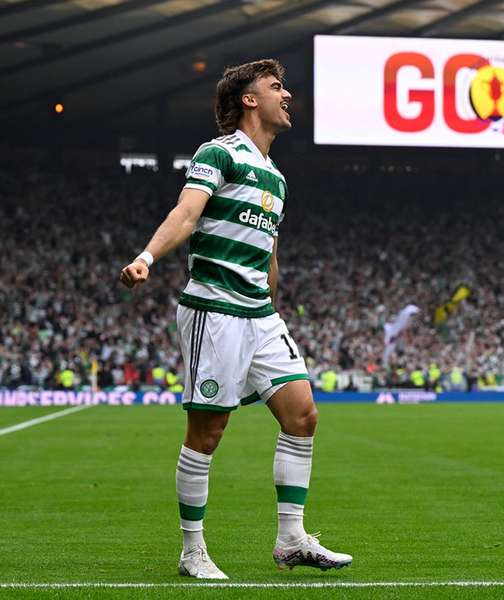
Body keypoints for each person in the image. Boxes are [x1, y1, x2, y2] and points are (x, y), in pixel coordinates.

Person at [119, 59, 351, 579]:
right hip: (215, 308)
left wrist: (272, 276)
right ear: (249, 99)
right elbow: (186, 213)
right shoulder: (219, 153)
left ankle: (292, 538)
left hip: (258, 312)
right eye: (276, 88)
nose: (286, 95)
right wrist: (147, 258)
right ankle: (192, 551)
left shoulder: (276, 177)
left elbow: (268, 244)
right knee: (208, 431)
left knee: (303, 416)